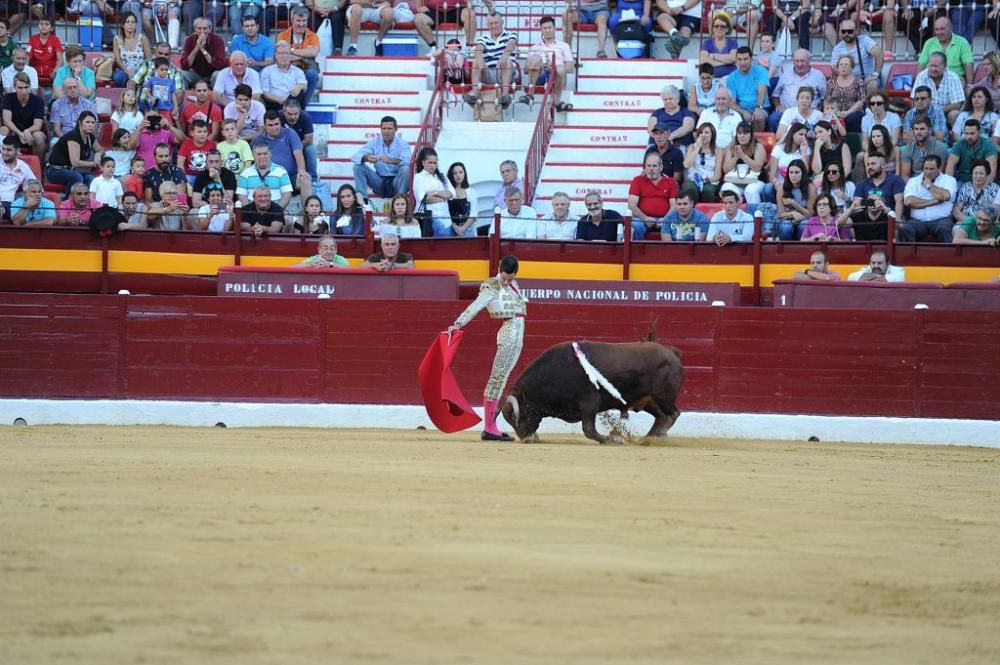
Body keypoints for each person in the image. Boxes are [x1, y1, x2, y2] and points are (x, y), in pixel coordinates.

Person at [445, 254, 526, 442]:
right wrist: (459, 323)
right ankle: (490, 428)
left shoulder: (514, 285)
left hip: (515, 336)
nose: (505, 281)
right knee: (497, 379)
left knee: (501, 378)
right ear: (498, 269)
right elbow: (477, 305)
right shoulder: (492, 285)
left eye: (510, 278)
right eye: (503, 276)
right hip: (509, 335)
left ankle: (492, 426)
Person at [464, 12, 518, 107]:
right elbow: (478, 49)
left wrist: (503, 57)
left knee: (507, 61)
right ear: (488, 25)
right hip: (489, 73)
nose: (494, 26)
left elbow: (511, 44)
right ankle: (475, 97)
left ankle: (504, 96)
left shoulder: (511, 34)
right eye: (491, 23)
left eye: (496, 23)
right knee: (476, 61)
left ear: (502, 22)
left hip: (507, 71)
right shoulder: (484, 38)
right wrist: (480, 59)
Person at [900, 153, 958, 243]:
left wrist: (929, 186)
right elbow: (909, 201)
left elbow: (945, 196)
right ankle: (909, 257)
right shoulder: (913, 181)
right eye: (925, 168)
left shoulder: (949, 180)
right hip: (917, 221)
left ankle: (948, 257)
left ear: (939, 168)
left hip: (941, 220)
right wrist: (934, 201)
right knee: (906, 229)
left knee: (944, 229)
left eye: (931, 169)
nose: (927, 172)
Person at [352, 116, 411, 200]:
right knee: (358, 166)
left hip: (397, 182)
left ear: (396, 129)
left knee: (405, 169)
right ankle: (362, 200)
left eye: (390, 128)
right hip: (379, 181)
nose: (386, 132)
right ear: (380, 129)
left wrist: (391, 160)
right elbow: (355, 156)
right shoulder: (374, 142)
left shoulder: (402, 143)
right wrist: (366, 158)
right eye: (384, 128)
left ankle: (401, 201)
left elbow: (408, 162)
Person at [523, 16, 575, 112]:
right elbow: (526, 70)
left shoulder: (564, 46)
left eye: (549, 28)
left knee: (559, 69)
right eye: (544, 28)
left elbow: (571, 67)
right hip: (540, 75)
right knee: (536, 59)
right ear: (541, 30)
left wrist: (554, 67)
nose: (547, 30)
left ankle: (557, 101)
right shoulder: (534, 47)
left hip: (556, 75)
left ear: (554, 28)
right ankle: (530, 95)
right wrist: (540, 64)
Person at [768, 49, 827, 132]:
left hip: (809, 112)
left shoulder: (818, 76)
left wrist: (817, 110)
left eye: (802, 61)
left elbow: (824, 97)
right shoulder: (785, 75)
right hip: (786, 112)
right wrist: (778, 105)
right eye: (797, 61)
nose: (799, 64)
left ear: (809, 61)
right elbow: (775, 95)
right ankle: (777, 143)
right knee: (773, 118)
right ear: (793, 61)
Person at [46, 111, 103, 196]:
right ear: (80, 123)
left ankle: (88, 203)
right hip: (55, 170)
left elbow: (100, 149)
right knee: (76, 177)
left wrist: (98, 154)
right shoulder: (74, 136)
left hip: (71, 170)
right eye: (87, 122)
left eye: (93, 122)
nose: (91, 125)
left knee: (90, 178)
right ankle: (69, 203)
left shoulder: (90, 137)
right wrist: (94, 164)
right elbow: (75, 162)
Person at [252, 110, 309, 195]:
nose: (274, 128)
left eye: (276, 124)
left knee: (305, 180)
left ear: (281, 123)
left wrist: (301, 171)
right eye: (270, 125)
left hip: (291, 177)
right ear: (265, 126)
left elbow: (298, 153)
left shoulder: (290, 133)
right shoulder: (258, 140)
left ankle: (308, 208)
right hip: (268, 178)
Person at [275, 7, 320, 104]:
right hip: (288, 69)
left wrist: (291, 50)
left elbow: (313, 52)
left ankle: (302, 106)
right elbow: (281, 53)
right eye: (298, 21)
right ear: (292, 19)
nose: (301, 24)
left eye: (304, 21)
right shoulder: (282, 35)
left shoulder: (313, 36)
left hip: (306, 69)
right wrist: (304, 54)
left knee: (313, 75)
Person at [628, 152, 677, 240]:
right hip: (642, 219)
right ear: (645, 167)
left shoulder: (671, 182)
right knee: (634, 226)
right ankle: (636, 253)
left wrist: (666, 219)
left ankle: (670, 253)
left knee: (675, 227)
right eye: (648, 166)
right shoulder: (637, 180)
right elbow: (631, 205)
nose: (651, 169)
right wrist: (645, 218)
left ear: (661, 167)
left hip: (665, 219)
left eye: (654, 166)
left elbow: (674, 205)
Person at [412, 147, 456, 237]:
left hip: (446, 220)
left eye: (435, 163)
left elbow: (452, 193)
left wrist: (435, 193)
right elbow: (424, 198)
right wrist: (443, 197)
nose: (433, 166)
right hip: (430, 219)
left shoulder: (442, 176)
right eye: (430, 163)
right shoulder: (419, 177)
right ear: (423, 162)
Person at [912, 52, 966, 126]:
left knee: (954, 114)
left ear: (945, 66)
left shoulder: (953, 77)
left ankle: (954, 136)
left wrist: (937, 111)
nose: (933, 69)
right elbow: (914, 99)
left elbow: (957, 104)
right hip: (925, 112)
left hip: (946, 113)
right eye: (931, 66)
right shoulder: (922, 76)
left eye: (936, 66)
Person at [720, 120, 767, 203]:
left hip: (755, 182)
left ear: (751, 135)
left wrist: (743, 156)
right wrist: (735, 157)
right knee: (726, 187)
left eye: (745, 133)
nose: (742, 136)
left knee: (750, 190)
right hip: (736, 182)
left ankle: (754, 214)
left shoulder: (758, 147)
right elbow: (725, 170)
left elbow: (757, 168)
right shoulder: (731, 149)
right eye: (739, 133)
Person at [829, 19, 881, 94]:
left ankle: (869, 105)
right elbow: (835, 68)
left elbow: (879, 54)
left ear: (856, 31)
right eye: (843, 31)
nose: (846, 34)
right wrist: (851, 80)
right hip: (847, 78)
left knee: (872, 84)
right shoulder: (837, 48)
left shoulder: (864, 40)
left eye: (850, 31)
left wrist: (875, 75)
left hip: (867, 78)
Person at [1, 73, 45, 159]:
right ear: (14, 87)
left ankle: (38, 168)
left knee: (38, 136)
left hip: (31, 132)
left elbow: (38, 125)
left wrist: (27, 131)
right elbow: (6, 120)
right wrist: (20, 133)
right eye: (20, 88)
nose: (23, 91)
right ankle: (2, 165)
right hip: (14, 132)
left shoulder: (38, 100)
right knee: (3, 130)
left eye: (26, 87)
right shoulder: (8, 98)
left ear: (30, 86)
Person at [725, 47, 769, 131]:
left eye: (746, 59)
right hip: (742, 109)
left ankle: (756, 143)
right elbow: (732, 102)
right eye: (740, 59)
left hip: (761, 107)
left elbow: (762, 92)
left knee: (759, 117)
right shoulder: (732, 77)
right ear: (736, 60)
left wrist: (758, 107)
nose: (743, 62)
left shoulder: (761, 71)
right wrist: (743, 112)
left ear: (751, 59)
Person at [918, 16, 974, 84]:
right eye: (937, 29)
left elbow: (968, 64)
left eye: (942, 29)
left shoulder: (962, 42)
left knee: (961, 83)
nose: (939, 32)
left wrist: (970, 85)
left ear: (950, 28)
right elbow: (921, 64)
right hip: (933, 77)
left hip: (956, 78)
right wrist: (917, 83)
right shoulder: (929, 43)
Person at [855, 153, 905, 224]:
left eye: (873, 164)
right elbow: (857, 205)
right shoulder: (862, 183)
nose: (870, 167)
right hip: (868, 220)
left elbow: (899, 202)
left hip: (889, 219)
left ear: (883, 166)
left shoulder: (895, 180)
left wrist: (896, 221)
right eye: (868, 164)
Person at [412, 0, 477, 54]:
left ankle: (469, 47)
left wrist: (469, 3)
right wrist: (419, 7)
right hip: (434, 10)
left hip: (456, 9)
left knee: (470, 13)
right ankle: (434, 48)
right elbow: (419, 8)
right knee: (418, 19)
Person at [129, 42, 184, 107]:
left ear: (170, 55)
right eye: (160, 53)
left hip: (165, 107)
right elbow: (133, 82)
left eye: (166, 54)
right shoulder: (147, 65)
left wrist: (172, 109)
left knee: (180, 105)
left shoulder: (176, 71)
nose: (163, 56)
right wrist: (131, 98)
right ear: (155, 53)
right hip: (143, 104)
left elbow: (179, 92)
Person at [947, 119, 999, 184]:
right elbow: (950, 164)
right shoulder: (960, 144)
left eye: (972, 133)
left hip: (981, 182)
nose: (969, 136)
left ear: (979, 132)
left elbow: (992, 167)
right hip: (962, 181)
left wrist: (985, 188)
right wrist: (949, 184)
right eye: (966, 133)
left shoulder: (988, 145)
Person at [261, 42, 308, 111]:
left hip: (293, 103)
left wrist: (299, 87)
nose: (284, 56)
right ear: (276, 55)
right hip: (275, 104)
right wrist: (279, 99)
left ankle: (297, 114)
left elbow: (304, 85)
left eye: (287, 53)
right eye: (281, 53)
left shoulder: (298, 71)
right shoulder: (267, 71)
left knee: (301, 92)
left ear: (290, 55)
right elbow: (265, 92)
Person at [181, 18, 228, 86]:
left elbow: (220, 65)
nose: (202, 31)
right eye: (199, 28)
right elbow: (184, 66)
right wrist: (196, 48)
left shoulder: (218, 40)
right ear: (195, 29)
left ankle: (216, 96)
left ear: (210, 29)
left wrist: (203, 50)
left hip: (212, 74)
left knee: (218, 74)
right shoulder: (189, 40)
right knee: (181, 74)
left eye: (205, 28)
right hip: (195, 74)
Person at [901, 114, 951, 180]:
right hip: (914, 184)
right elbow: (905, 176)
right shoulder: (908, 149)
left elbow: (939, 175)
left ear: (930, 130)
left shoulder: (940, 148)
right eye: (916, 129)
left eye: (922, 129)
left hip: (934, 183)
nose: (918, 132)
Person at [681, 123, 721, 202]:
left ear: (712, 135)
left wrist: (707, 180)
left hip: (709, 180)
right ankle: (692, 211)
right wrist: (698, 147)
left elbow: (717, 175)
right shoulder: (692, 147)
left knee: (708, 190)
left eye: (706, 132)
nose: (703, 135)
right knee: (690, 188)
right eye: (701, 133)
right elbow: (686, 164)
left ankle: (707, 213)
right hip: (693, 179)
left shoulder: (718, 151)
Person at [777, 159, 815, 240]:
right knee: (786, 227)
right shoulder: (782, 188)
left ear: (803, 174)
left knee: (803, 226)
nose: (793, 175)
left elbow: (810, 214)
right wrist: (792, 214)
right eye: (791, 172)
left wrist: (794, 204)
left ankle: (801, 249)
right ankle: (784, 250)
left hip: (805, 218)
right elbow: (781, 214)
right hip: (787, 218)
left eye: (797, 172)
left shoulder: (810, 188)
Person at [826, 54, 865, 133]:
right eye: (841, 65)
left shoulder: (858, 82)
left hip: (852, 113)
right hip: (834, 112)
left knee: (852, 118)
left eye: (846, 65)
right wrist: (834, 112)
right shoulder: (831, 82)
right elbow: (828, 99)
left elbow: (861, 101)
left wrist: (848, 112)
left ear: (851, 68)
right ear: (837, 67)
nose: (843, 67)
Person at [50, 78, 96, 143]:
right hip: (64, 137)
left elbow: (93, 127)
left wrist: (83, 140)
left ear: (78, 89)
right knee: (53, 142)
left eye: (75, 87)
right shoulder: (57, 104)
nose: (73, 90)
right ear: (64, 91)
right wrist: (67, 140)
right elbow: (57, 129)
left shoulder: (89, 104)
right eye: (69, 88)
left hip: (84, 137)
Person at [111, 14, 151, 88]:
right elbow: (118, 60)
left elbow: (149, 59)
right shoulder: (117, 39)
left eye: (133, 22)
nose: (130, 24)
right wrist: (126, 70)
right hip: (124, 69)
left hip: (140, 69)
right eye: (127, 22)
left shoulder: (142, 38)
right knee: (118, 77)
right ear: (123, 25)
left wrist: (140, 72)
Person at [699, 12, 738, 78]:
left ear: (727, 29)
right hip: (711, 79)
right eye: (716, 26)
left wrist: (713, 56)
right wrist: (726, 62)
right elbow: (703, 61)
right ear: (713, 29)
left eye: (722, 26)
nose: (719, 28)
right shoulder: (707, 43)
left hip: (730, 78)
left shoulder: (732, 43)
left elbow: (733, 58)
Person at [0, 136, 31, 217]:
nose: (4, 152)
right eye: (3, 149)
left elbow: (36, 184)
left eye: (8, 150)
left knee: (29, 215)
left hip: (10, 205)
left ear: (17, 150)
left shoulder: (23, 166)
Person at [177, 119, 216, 183]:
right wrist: (183, 177)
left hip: (206, 175)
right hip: (189, 176)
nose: (203, 134)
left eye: (205, 131)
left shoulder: (212, 145)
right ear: (192, 133)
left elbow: (214, 164)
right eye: (199, 132)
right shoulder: (186, 144)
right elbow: (180, 163)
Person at [25, 17, 62, 82]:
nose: (43, 26)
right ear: (38, 26)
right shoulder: (32, 39)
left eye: (46, 24)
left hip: (51, 72)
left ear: (52, 28)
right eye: (41, 24)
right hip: (35, 72)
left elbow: (60, 61)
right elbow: (27, 58)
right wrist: (27, 72)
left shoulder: (55, 40)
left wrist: (55, 72)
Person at [446, 162, 477, 235]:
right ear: (451, 175)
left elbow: (474, 213)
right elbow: (445, 212)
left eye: (460, 172)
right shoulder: (447, 192)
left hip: (468, 230)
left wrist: (462, 229)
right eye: (455, 173)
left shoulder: (471, 192)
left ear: (464, 174)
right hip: (451, 230)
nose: (458, 175)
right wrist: (456, 228)